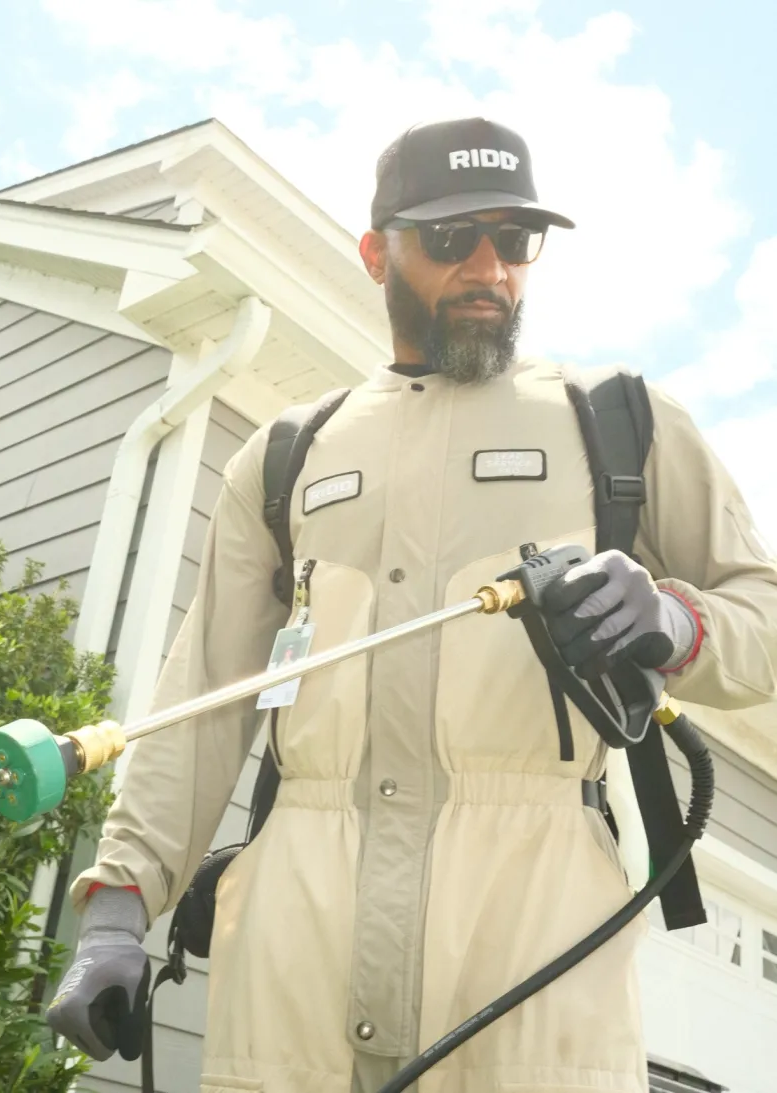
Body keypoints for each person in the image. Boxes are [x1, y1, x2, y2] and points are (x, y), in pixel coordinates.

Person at [46, 117, 777, 1093]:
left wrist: (680, 622)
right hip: (290, 963)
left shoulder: (621, 424)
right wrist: (118, 908)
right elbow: (203, 701)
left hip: (533, 953)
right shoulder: (285, 456)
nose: (489, 266)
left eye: (515, 240)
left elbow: (761, 625)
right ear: (375, 251)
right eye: (448, 237)